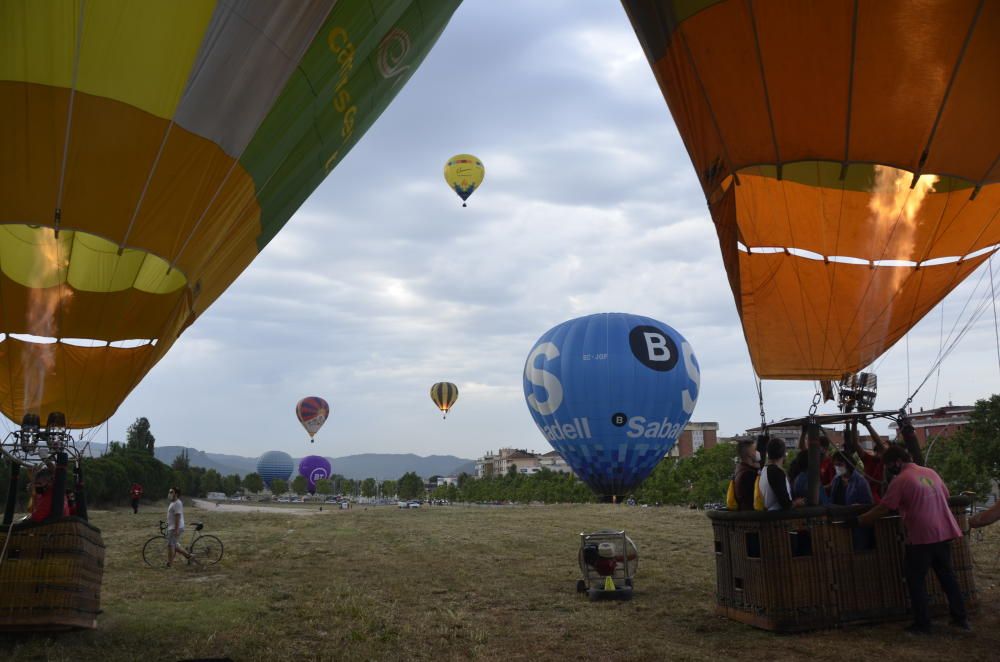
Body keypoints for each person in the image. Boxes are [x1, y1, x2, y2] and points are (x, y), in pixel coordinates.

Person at [855, 446, 969, 634]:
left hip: (921, 536)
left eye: (889, 465)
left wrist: (859, 520)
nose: (888, 469)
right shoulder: (930, 472)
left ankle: (923, 624)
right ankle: (960, 619)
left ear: (897, 462)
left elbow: (884, 508)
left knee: (916, 581)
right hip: (944, 532)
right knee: (948, 578)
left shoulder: (900, 480)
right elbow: (946, 495)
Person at [758, 439, 804, 511]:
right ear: (784, 453)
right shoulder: (776, 472)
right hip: (778, 516)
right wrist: (797, 502)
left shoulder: (764, 469)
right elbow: (786, 504)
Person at [165, 487, 193, 567]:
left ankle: (169, 564)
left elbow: (178, 516)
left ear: (176, 494)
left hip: (176, 527)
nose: (169, 493)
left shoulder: (177, 503)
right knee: (175, 545)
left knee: (170, 545)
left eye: (171, 492)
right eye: (169, 492)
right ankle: (188, 556)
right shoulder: (173, 502)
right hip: (172, 527)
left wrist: (176, 529)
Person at [732, 440, 760, 511]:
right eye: (755, 450)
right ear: (750, 453)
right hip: (750, 515)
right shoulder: (748, 474)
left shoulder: (740, 469)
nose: (757, 453)